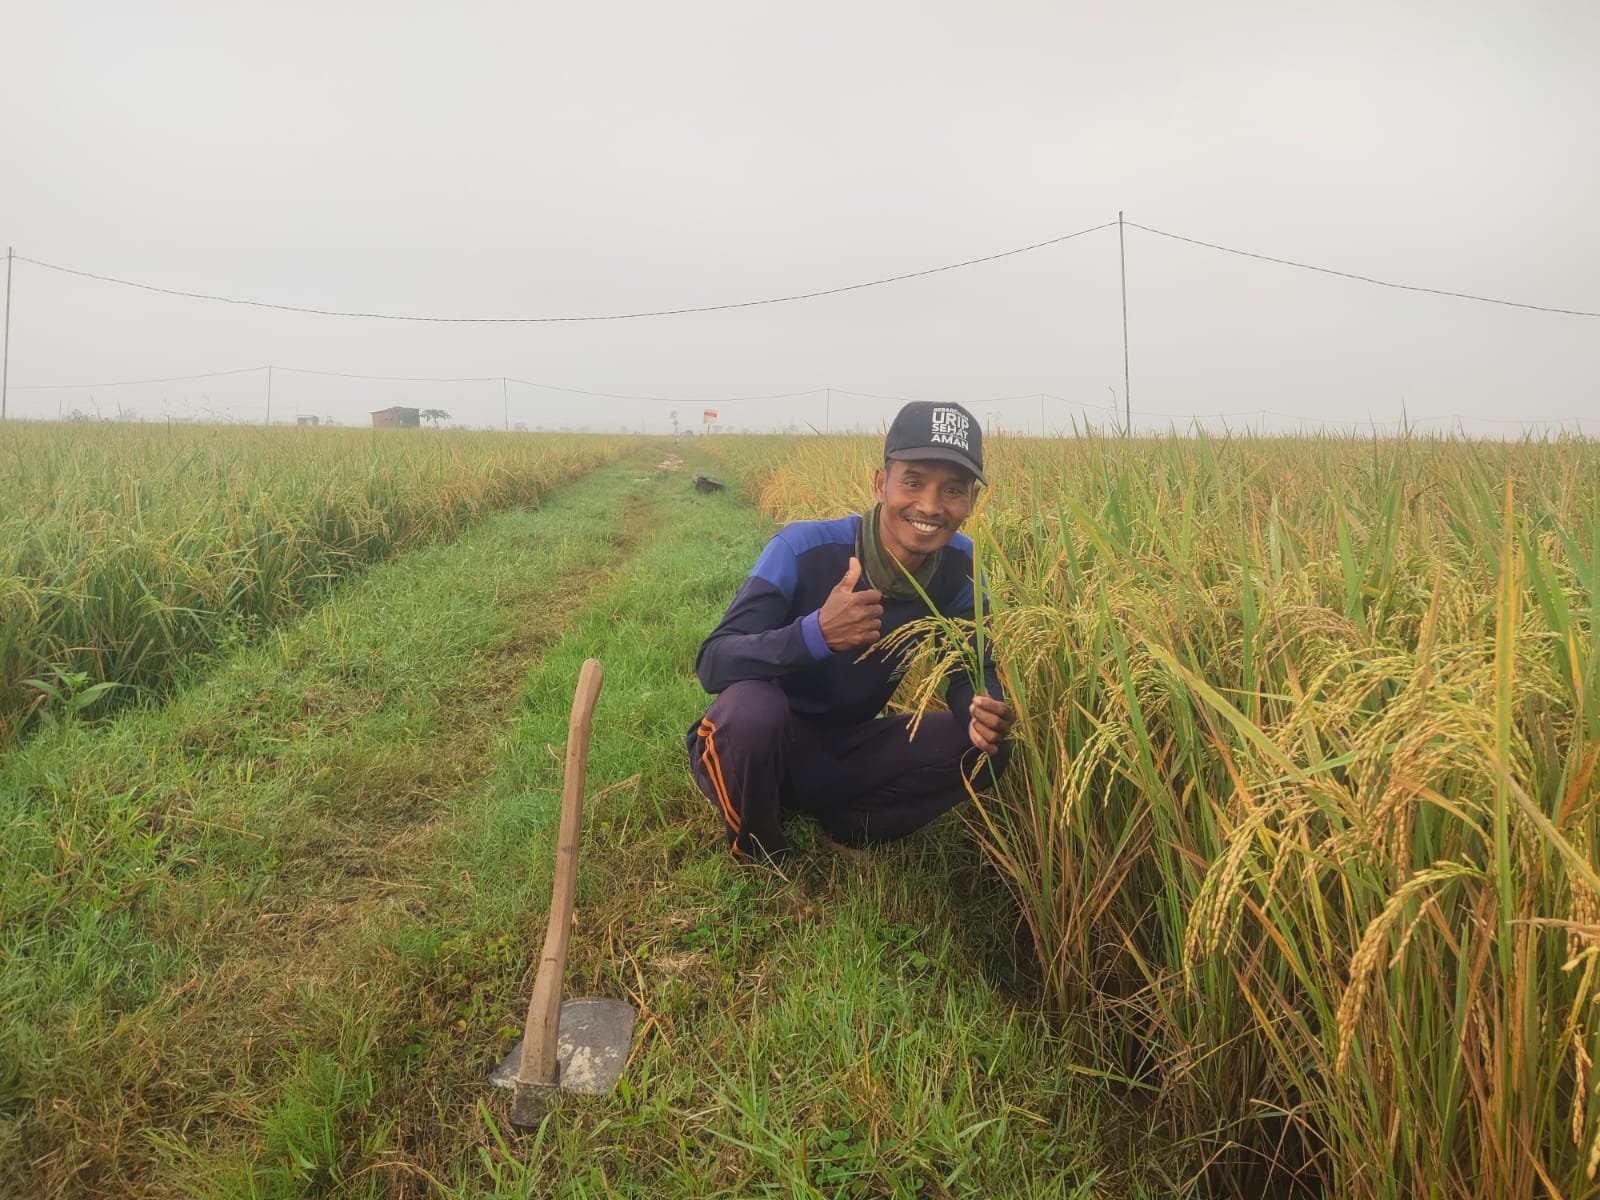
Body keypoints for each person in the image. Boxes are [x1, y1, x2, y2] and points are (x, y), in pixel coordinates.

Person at [685, 400, 1015, 859]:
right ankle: (760, 848)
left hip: (845, 747)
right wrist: (814, 634)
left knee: (989, 748)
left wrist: (984, 706)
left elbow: (969, 670)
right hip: (754, 745)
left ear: (972, 502)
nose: (930, 506)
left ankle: (848, 826)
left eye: (953, 489)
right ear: (881, 484)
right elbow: (714, 662)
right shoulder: (803, 548)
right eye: (913, 482)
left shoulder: (962, 564)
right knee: (753, 709)